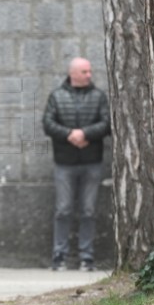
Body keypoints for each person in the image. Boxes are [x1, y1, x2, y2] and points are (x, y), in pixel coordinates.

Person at [42, 57, 110, 272]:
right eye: (84, 71)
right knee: (63, 210)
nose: (89, 75)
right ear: (73, 73)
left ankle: (87, 257)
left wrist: (85, 133)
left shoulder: (99, 96)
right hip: (65, 163)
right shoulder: (57, 96)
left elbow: (107, 123)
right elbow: (48, 123)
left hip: (92, 162)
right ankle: (59, 256)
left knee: (89, 210)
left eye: (89, 71)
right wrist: (70, 134)